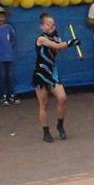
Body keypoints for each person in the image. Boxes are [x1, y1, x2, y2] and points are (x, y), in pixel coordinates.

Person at [33, 13, 80, 142]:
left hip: (53, 73)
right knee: (44, 104)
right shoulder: (41, 39)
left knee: (63, 98)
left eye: (52, 24)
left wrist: (62, 42)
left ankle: (60, 125)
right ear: (41, 26)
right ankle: (46, 131)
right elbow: (57, 46)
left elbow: (58, 50)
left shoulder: (55, 37)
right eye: (48, 24)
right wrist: (70, 42)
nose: (51, 26)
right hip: (41, 74)